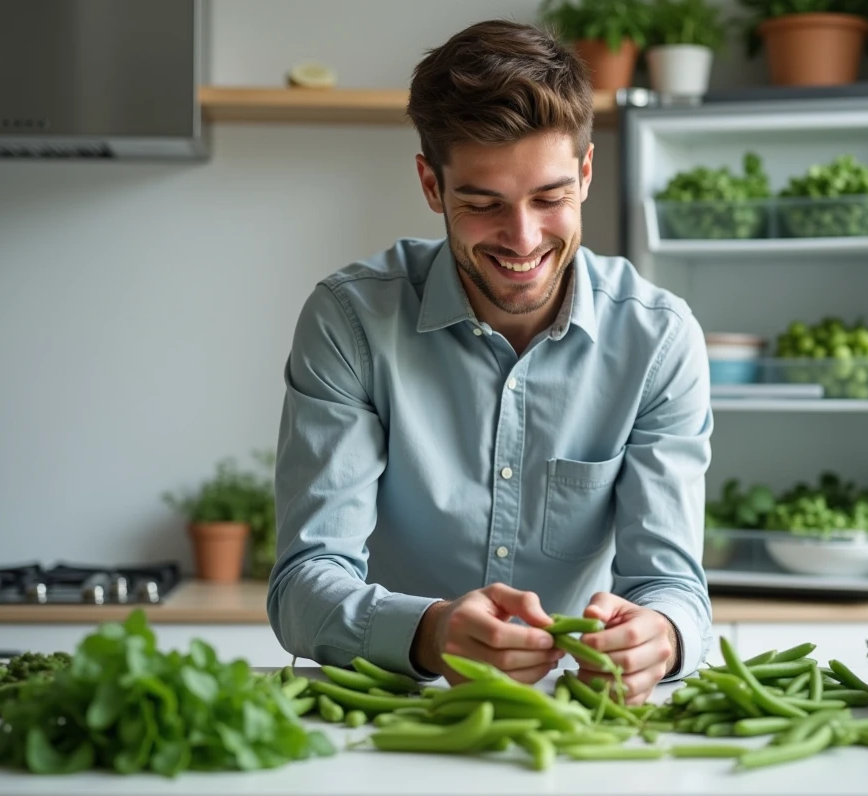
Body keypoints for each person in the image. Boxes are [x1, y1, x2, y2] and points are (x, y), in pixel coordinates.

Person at [267, 18, 713, 705]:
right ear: (431, 185)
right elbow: (304, 583)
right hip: (397, 708)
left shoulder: (658, 340)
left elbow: (673, 586)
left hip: (577, 716)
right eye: (483, 204)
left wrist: (662, 634)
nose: (523, 239)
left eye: (550, 198)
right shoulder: (350, 322)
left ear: (585, 174)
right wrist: (429, 633)